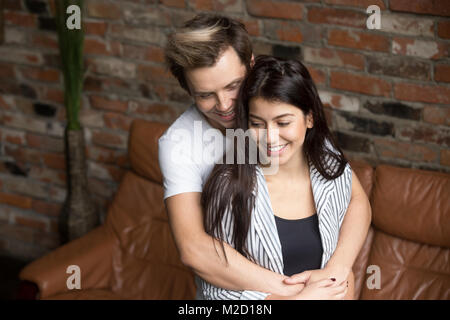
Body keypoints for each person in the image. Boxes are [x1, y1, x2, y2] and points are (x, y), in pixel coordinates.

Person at [159, 13, 371, 299]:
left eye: (233, 86)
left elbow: (353, 196)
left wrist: (337, 271)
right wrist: (293, 292)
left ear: (251, 66)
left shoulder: (279, 100)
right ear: (188, 90)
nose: (224, 105)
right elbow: (194, 249)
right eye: (205, 94)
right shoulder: (180, 144)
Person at [200, 55, 361, 299]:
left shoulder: (328, 162)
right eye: (257, 123)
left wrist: (339, 268)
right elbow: (215, 290)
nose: (270, 138)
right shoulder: (229, 186)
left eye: (283, 122)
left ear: (309, 118)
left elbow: (357, 202)